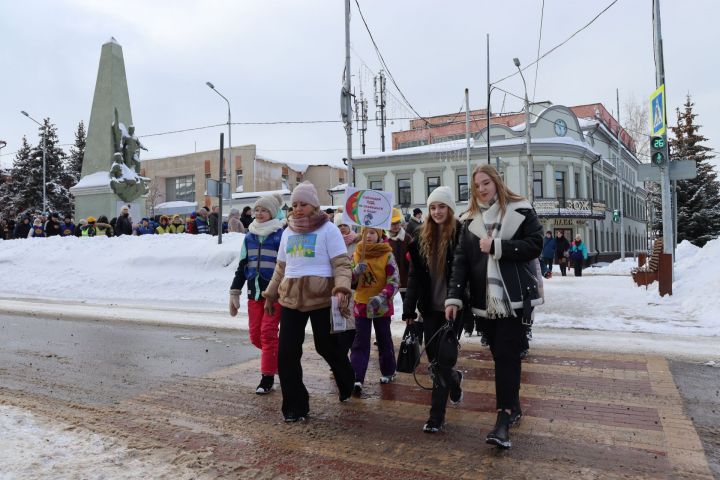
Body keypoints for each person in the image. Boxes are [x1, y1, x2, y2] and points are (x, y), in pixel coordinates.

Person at [445, 164, 543, 449]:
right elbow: (460, 263)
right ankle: (514, 405)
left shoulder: (521, 210)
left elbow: (535, 244)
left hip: (513, 299)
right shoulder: (469, 221)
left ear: (497, 182)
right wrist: (453, 298)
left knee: (507, 355)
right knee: (500, 354)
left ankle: (503, 419)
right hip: (483, 302)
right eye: (476, 186)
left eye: (486, 183)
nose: (482, 189)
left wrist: (499, 247)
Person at [262, 181, 355, 422]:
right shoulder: (288, 231)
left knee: (327, 346)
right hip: (291, 298)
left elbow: (341, 264)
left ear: (313, 205)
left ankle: (346, 379)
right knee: (287, 353)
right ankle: (295, 406)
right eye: (294, 204)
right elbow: (281, 267)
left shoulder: (328, 230)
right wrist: (271, 293)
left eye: (303, 204)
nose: (298, 209)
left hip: (321, 298)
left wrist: (342, 287)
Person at [403, 186, 463, 434]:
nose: (437, 211)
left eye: (442, 207)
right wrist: (408, 309)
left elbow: (468, 273)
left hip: (454, 309)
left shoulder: (462, 234)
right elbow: (415, 275)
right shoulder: (420, 237)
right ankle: (455, 381)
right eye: (433, 207)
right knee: (435, 362)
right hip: (429, 309)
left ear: (450, 209)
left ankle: (436, 416)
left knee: (444, 360)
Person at [229, 194, 285, 395]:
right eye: (257, 210)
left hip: (274, 295)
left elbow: (286, 265)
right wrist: (234, 291)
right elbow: (242, 266)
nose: (259, 213)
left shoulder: (281, 234)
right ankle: (280, 362)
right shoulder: (249, 236)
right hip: (254, 293)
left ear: (272, 212)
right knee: (255, 336)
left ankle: (267, 377)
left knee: (268, 334)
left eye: (264, 210)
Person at [350, 227, 399, 396]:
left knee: (383, 338)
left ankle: (388, 370)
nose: (368, 236)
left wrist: (383, 296)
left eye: (372, 233)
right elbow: (349, 281)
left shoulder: (387, 254)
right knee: (359, 341)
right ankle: (356, 377)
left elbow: (394, 280)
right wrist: (354, 273)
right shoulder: (357, 254)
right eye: (365, 233)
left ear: (379, 235)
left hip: (381, 304)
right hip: (362, 303)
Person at [388, 207, 421, 343]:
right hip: (389, 281)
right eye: (392, 224)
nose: (395, 226)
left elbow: (416, 258)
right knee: (385, 310)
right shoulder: (385, 240)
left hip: (406, 280)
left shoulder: (407, 238)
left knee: (410, 309)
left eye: (397, 223)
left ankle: (413, 334)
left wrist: (410, 257)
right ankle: (384, 335)